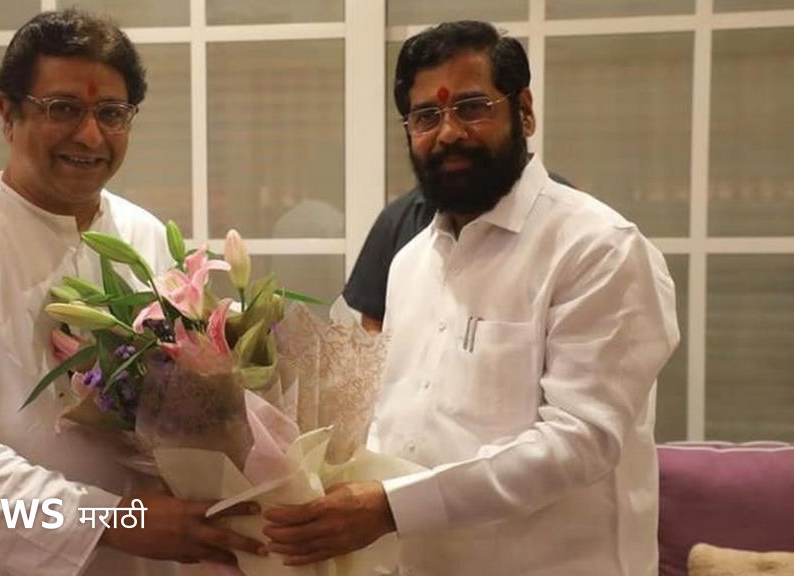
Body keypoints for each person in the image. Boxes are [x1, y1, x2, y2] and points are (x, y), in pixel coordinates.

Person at [263, 20, 679, 576]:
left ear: (524, 111)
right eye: (426, 117)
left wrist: (389, 508)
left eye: (472, 107)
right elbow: (398, 425)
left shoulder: (596, 248)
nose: (448, 133)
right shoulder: (410, 263)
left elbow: (580, 443)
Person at [0, 10, 264, 576]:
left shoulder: (147, 238)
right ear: (6, 112)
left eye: (111, 113)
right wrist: (112, 520)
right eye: (63, 108)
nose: (90, 135)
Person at [344, 182, 572, 333]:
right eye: (428, 123)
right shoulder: (398, 223)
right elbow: (373, 321)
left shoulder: (566, 223)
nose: (449, 134)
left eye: (471, 120)